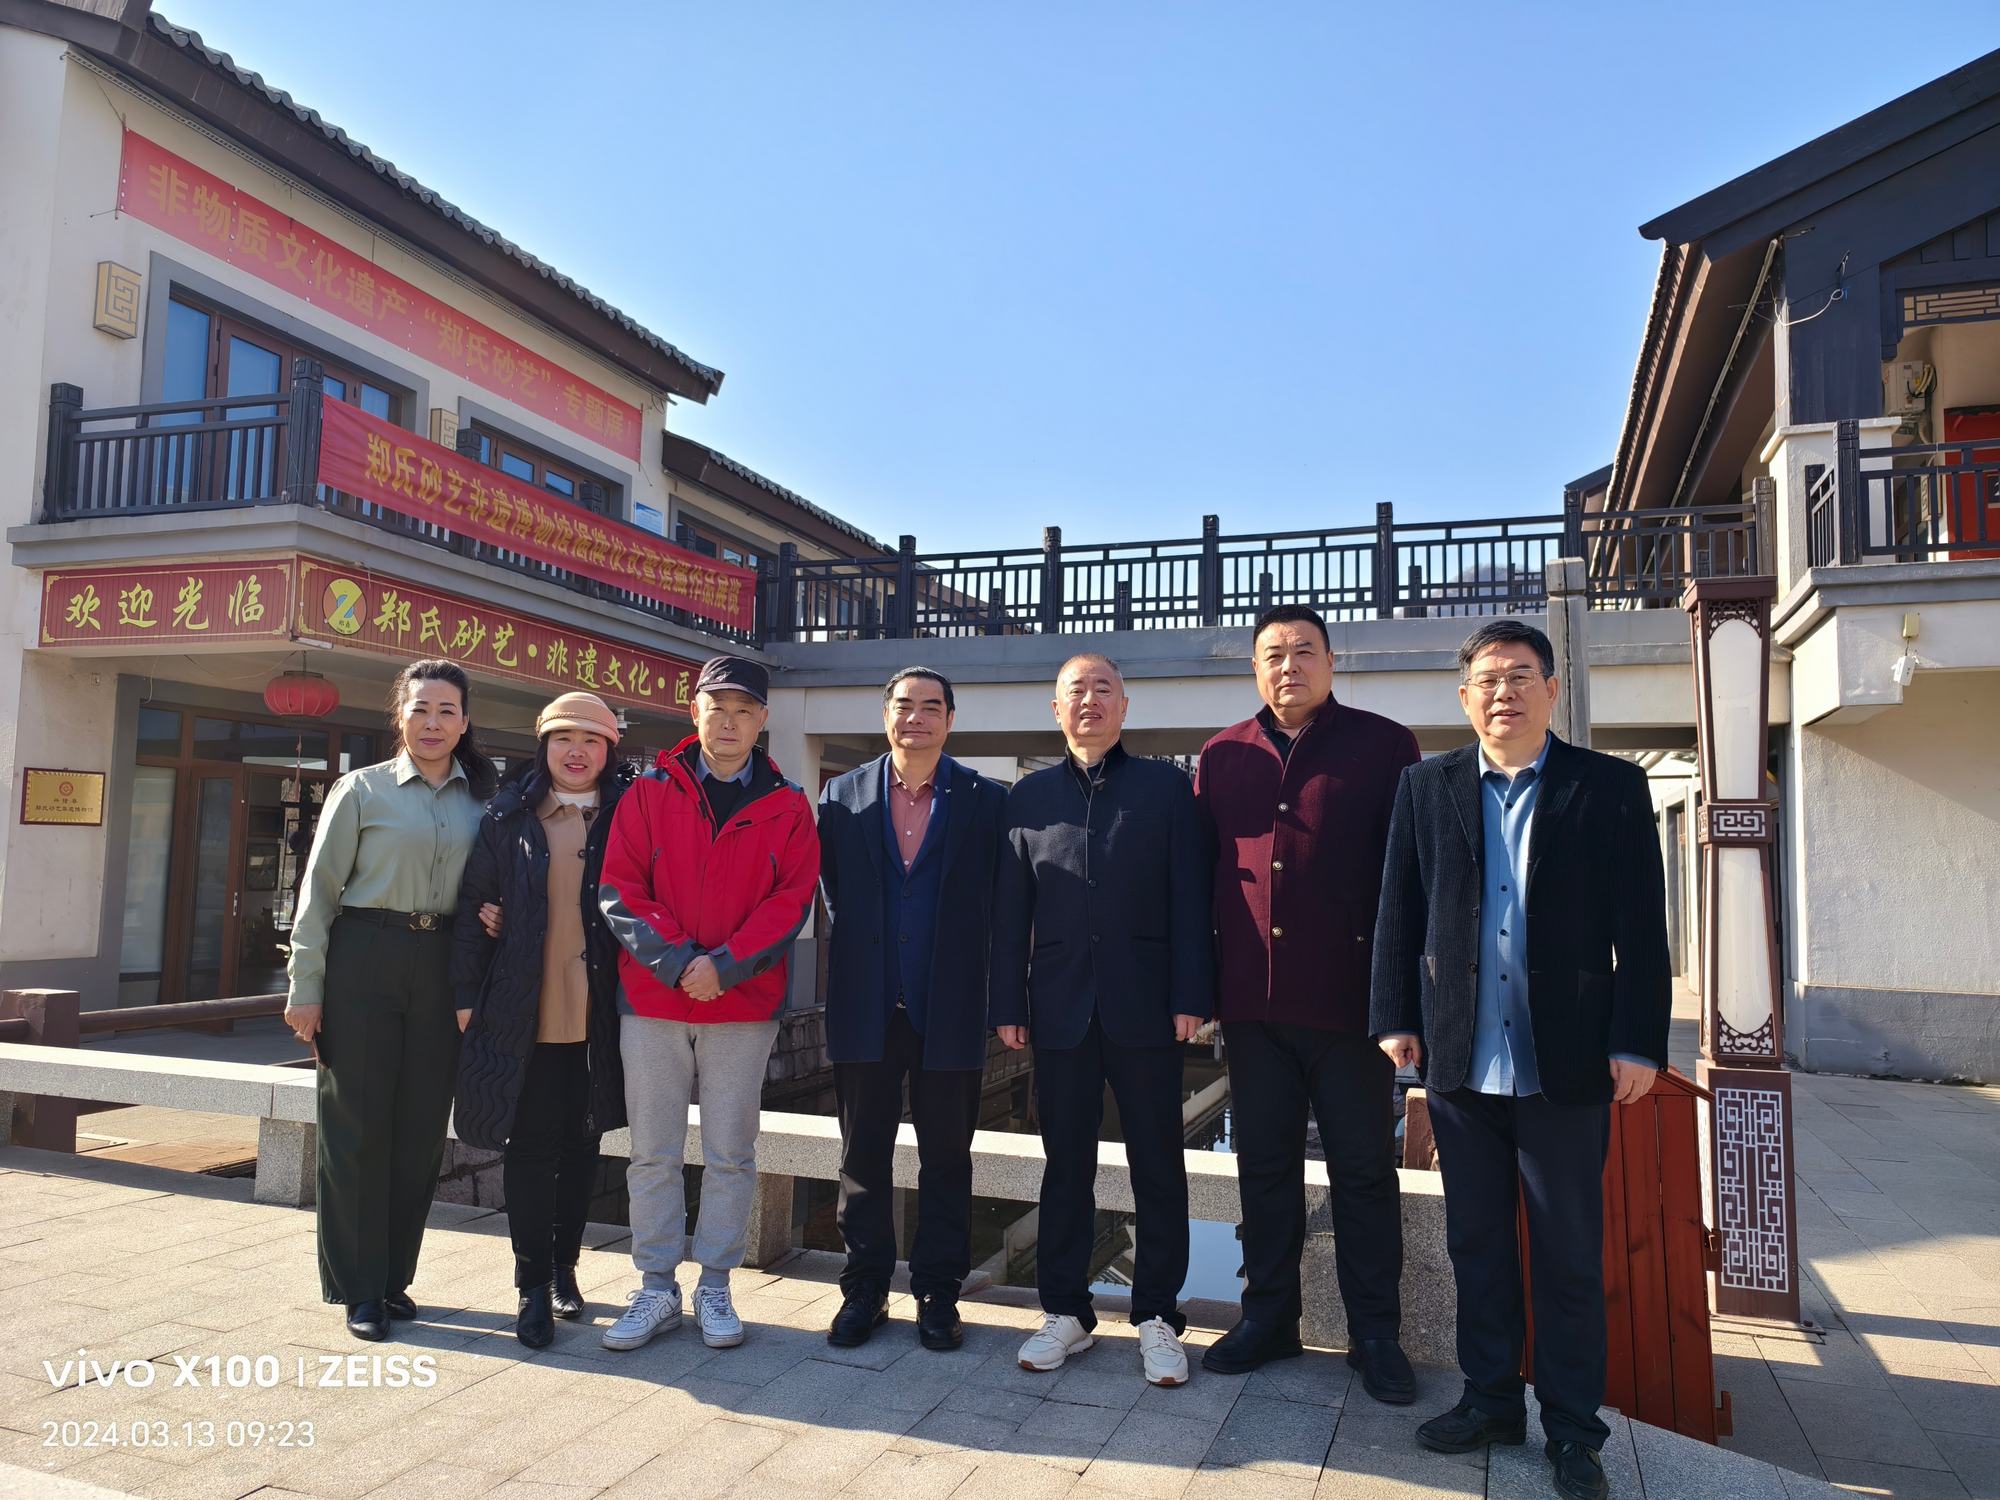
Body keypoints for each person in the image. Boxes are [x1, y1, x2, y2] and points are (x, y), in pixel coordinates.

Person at [1371, 619, 1671, 1500]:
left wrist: (1636, 1040)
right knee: (1477, 1246)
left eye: (1519, 676)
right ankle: (1491, 1400)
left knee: (1569, 1256)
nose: (1503, 693)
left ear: (1551, 689)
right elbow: (1400, 907)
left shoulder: (1608, 786)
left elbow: (1641, 929)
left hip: (1565, 1064)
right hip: (1461, 1060)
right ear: (1465, 697)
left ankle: (1574, 1430)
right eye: (1487, 680)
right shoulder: (1425, 786)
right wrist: (1394, 1017)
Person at [1194, 604, 1420, 1401]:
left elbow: (1405, 881)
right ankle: (1269, 1317)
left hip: (1352, 1005)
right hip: (1253, 1004)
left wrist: (1400, 1002)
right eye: (1272, 654)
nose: (1287, 666)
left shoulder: (1385, 745)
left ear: (1330, 661)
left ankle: (1375, 1333)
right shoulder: (1222, 753)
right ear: (1255, 668)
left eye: (1303, 651)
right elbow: (1203, 877)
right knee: (1263, 1167)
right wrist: (1203, 989)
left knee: (1364, 1171)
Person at [990, 652, 1212, 1387]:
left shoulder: (1165, 789)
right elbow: (1009, 913)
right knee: (1066, 1167)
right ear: (1056, 710)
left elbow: (1190, 899)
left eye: (1102, 688)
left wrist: (1191, 994)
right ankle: (1066, 1311)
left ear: (1124, 705)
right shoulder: (1028, 797)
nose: (1089, 701)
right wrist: (1007, 1003)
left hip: (1148, 1005)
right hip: (1059, 1008)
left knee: (1159, 1163)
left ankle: (1158, 1315)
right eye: (1075, 691)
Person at [595, 655, 820, 1353]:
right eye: (716, 707)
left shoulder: (788, 805)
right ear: (694, 712)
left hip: (741, 1004)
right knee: (652, 1152)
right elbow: (620, 888)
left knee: (730, 1152)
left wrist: (723, 965)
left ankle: (716, 1282)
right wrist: (677, 963)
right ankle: (656, 1285)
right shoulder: (648, 791)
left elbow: (791, 902)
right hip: (653, 999)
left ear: (762, 721)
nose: (728, 722)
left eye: (743, 710)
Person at [284, 659, 497, 1342]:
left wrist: (497, 916)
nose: (432, 723)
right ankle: (359, 1288)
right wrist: (305, 988)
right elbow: (319, 893)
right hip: (363, 956)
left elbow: (493, 885)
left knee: (420, 1130)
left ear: (465, 722)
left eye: (446, 711)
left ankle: (393, 1278)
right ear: (399, 716)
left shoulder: (484, 801)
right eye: (420, 709)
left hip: (442, 965)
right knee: (357, 1126)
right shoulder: (361, 790)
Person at [815, 667, 1007, 1351]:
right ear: (886, 714)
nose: (916, 718)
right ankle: (864, 1287)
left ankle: (937, 1291)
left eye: (931, 707)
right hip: (865, 1002)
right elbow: (835, 889)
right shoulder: (841, 795)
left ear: (950, 720)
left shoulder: (986, 799)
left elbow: (999, 902)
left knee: (947, 1159)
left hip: (950, 1004)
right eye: (904, 705)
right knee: (861, 1155)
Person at [450, 691, 634, 1350]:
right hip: (524, 1008)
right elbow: (474, 907)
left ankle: (565, 1269)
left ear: (608, 750)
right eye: (563, 739)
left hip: (602, 1010)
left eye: (590, 740)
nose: (576, 752)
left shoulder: (631, 814)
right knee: (528, 1148)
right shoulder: (508, 817)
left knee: (583, 1144)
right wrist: (466, 998)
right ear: (543, 745)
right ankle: (531, 1285)